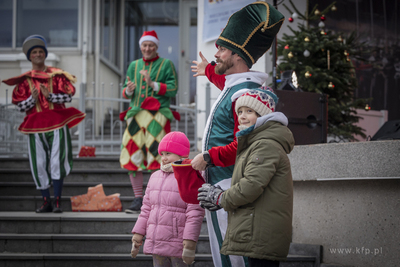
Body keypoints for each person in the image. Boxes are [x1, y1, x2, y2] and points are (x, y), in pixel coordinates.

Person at [190, 2, 285, 267]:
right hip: (222, 188)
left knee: (234, 258)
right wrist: (208, 70)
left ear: (239, 55)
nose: (216, 54)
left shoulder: (245, 95)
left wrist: (208, 157)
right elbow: (225, 79)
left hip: (230, 188)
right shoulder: (240, 88)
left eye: (222, 49)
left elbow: (243, 144)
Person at [198, 88, 295, 267]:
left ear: (263, 115)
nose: (242, 116)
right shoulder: (255, 143)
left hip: (262, 231)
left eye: (249, 111)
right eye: (240, 111)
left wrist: (220, 197)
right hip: (256, 227)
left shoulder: (265, 145)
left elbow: (251, 185)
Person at [1, 35, 85, 213]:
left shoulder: (57, 76)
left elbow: (68, 96)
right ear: (29, 57)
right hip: (35, 125)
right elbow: (20, 105)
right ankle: (45, 201)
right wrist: (32, 99)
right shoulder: (24, 81)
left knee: (56, 162)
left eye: (41, 51)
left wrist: (50, 97)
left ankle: (57, 202)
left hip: (56, 123)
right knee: (38, 163)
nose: (38, 54)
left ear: (45, 55)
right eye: (34, 52)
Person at [119, 30, 178, 213]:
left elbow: (173, 89)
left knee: (158, 156)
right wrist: (128, 90)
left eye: (151, 45)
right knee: (132, 155)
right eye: (144, 45)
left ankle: (155, 198)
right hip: (136, 115)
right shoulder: (133, 66)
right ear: (141, 47)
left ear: (156, 46)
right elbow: (124, 90)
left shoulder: (167, 64)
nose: (147, 48)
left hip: (157, 115)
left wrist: (153, 84)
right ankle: (138, 199)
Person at [130, 131, 205, 266]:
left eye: (168, 154)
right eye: (162, 154)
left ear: (182, 155)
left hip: (177, 242)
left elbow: (195, 212)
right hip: (156, 241)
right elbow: (146, 208)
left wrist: (190, 242)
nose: (164, 158)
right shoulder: (155, 177)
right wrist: (138, 233)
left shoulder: (189, 176)